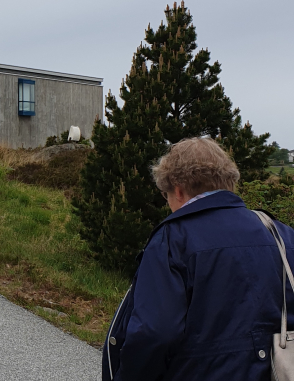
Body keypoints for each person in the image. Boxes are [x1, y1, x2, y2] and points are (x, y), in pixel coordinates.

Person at [103, 137, 294, 381]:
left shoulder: (172, 239)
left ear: (178, 189)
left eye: (165, 195)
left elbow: (154, 333)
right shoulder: (282, 234)